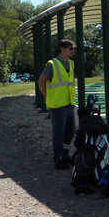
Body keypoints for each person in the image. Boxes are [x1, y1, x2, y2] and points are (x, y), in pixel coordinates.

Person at [36, 39, 76, 170]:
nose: (73, 50)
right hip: (57, 105)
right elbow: (41, 81)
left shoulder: (71, 63)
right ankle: (57, 159)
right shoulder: (52, 64)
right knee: (59, 132)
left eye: (73, 48)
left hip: (69, 103)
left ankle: (65, 155)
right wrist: (47, 96)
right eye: (70, 48)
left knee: (70, 131)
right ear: (62, 49)